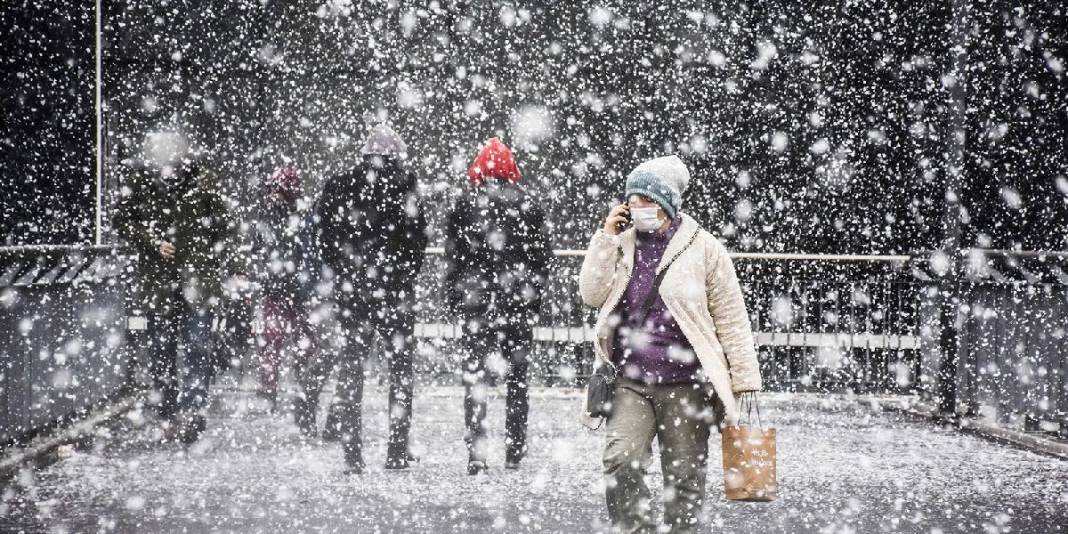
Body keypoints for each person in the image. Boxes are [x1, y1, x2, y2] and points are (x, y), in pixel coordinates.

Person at [578, 155, 762, 533]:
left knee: (684, 478)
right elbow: (591, 294)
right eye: (632, 199)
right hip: (630, 379)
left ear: (666, 204)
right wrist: (605, 239)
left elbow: (730, 316)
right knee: (620, 462)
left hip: (687, 383)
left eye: (645, 199)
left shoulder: (704, 248)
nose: (636, 207)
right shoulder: (622, 243)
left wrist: (743, 378)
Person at [114, 133, 245, 444]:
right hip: (163, 284)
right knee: (164, 350)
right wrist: (151, 241)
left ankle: (190, 411)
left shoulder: (202, 184)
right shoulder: (143, 183)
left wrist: (229, 264)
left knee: (195, 347)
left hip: (194, 282)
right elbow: (122, 220)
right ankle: (171, 412)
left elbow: (228, 227)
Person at [311, 124, 428, 473]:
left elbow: (325, 239)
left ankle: (352, 454)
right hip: (394, 293)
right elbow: (417, 241)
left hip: (353, 293)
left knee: (351, 369)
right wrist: (401, 274)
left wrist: (347, 272)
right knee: (400, 372)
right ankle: (395, 450)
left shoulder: (339, 186)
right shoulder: (406, 188)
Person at [444, 137, 551, 475]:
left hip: (478, 306)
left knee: (476, 379)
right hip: (517, 304)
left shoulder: (464, 204)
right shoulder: (529, 205)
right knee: (517, 380)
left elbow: (454, 257)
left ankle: (477, 452)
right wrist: (533, 296)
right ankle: (514, 449)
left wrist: (456, 295)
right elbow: (541, 259)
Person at [251, 166, 315, 410]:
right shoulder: (293, 215)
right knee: (277, 342)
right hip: (286, 288)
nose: (272, 195)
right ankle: (281, 387)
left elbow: (263, 247)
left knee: (281, 342)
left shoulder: (276, 216)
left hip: (288, 288)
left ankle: (280, 387)